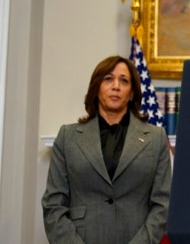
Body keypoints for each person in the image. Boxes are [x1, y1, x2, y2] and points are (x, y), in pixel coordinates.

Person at [42, 56, 171, 244]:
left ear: (132, 92)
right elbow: (54, 205)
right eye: (108, 79)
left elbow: (163, 205)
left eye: (124, 80)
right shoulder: (68, 137)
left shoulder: (156, 138)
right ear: (97, 87)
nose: (116, 86)